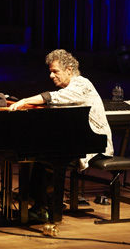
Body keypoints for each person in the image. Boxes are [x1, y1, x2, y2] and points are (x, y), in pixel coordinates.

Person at [9, 49, 114, 220]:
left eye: (55, 71)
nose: (51, 76)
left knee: (50, 159)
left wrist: (24, 101)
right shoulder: (69, 88)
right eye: (50, 71)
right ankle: (40, 205)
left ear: (69, 70)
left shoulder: (82, 84)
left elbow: (56, 97)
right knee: (38, 157)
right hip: (78, 141)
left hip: (95, 146)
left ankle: (48, 208)